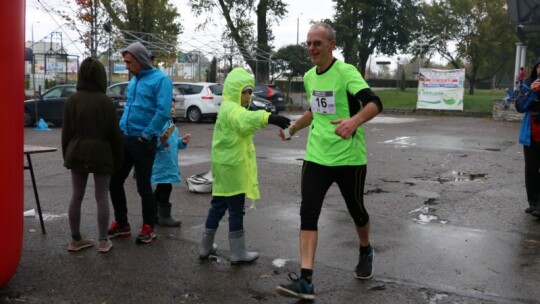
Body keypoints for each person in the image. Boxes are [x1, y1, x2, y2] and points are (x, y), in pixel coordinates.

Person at [275, 22, 383, 301]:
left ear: (331, 45)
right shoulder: (310, 76)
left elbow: (374, 102)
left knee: (356, 210)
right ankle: (306, 280)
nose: (311, 48)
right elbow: (315, 110)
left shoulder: (346, 72)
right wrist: (293, 129)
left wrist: (354, 121)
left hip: (349, 157)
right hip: (317, 156)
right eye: (308, 43)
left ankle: (365, 249)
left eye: (317, 43)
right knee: (308, 213)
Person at [198, 67, 291, 264]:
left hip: (224, 167)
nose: (248, 96)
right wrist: (269, 117)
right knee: (236, 209)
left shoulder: (226, 107)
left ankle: (205, 247)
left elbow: (244, 118)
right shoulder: (233, 110)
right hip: (233, 168)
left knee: (217, 206)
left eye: (250, 92)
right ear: (234, 92)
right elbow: (244, 120)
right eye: (244, 92)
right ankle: (238, 252)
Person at [108, 41, 172, 244]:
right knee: (114, 182)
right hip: (126, 138)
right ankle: (122, 223)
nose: (126, 66)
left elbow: (162, 111)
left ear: (140, 59)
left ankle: (148, 227)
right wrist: (120, 129)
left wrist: (147, 134)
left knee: (143, 186)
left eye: (129, 62)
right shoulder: (134, 79)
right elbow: (130, 108)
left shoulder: (161, 80)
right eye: (125, 62)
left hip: (143, 141)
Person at [62, 57, 123, 253]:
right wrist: (117, 158)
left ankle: (75, 239)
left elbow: (66, 133)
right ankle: (103, 241)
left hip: (76, 150)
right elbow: (114, 134)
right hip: (102, 153)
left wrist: (67, 155)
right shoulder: (106, 102)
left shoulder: (72, 100)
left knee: (76, 195)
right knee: (101, 196)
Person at [152, 103, 191, 227]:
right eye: (169, 107)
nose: (173, 109)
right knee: (165, 188)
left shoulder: (170, 123)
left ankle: (151, 213)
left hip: (169, 162)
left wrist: (181, 141)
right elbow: (154, 143)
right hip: (162, 163)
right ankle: (164, 216)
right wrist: (161, 140)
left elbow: (173, 142)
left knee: (161, 188)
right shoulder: (159, 123)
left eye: (173, 106)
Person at [516, 57, 540, 217]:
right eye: (539, 67)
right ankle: (533, 202)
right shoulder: (527, 84)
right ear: (535, 69)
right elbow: (520, 106)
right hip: (531, 132)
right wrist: (531, 90)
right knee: (531, 169)